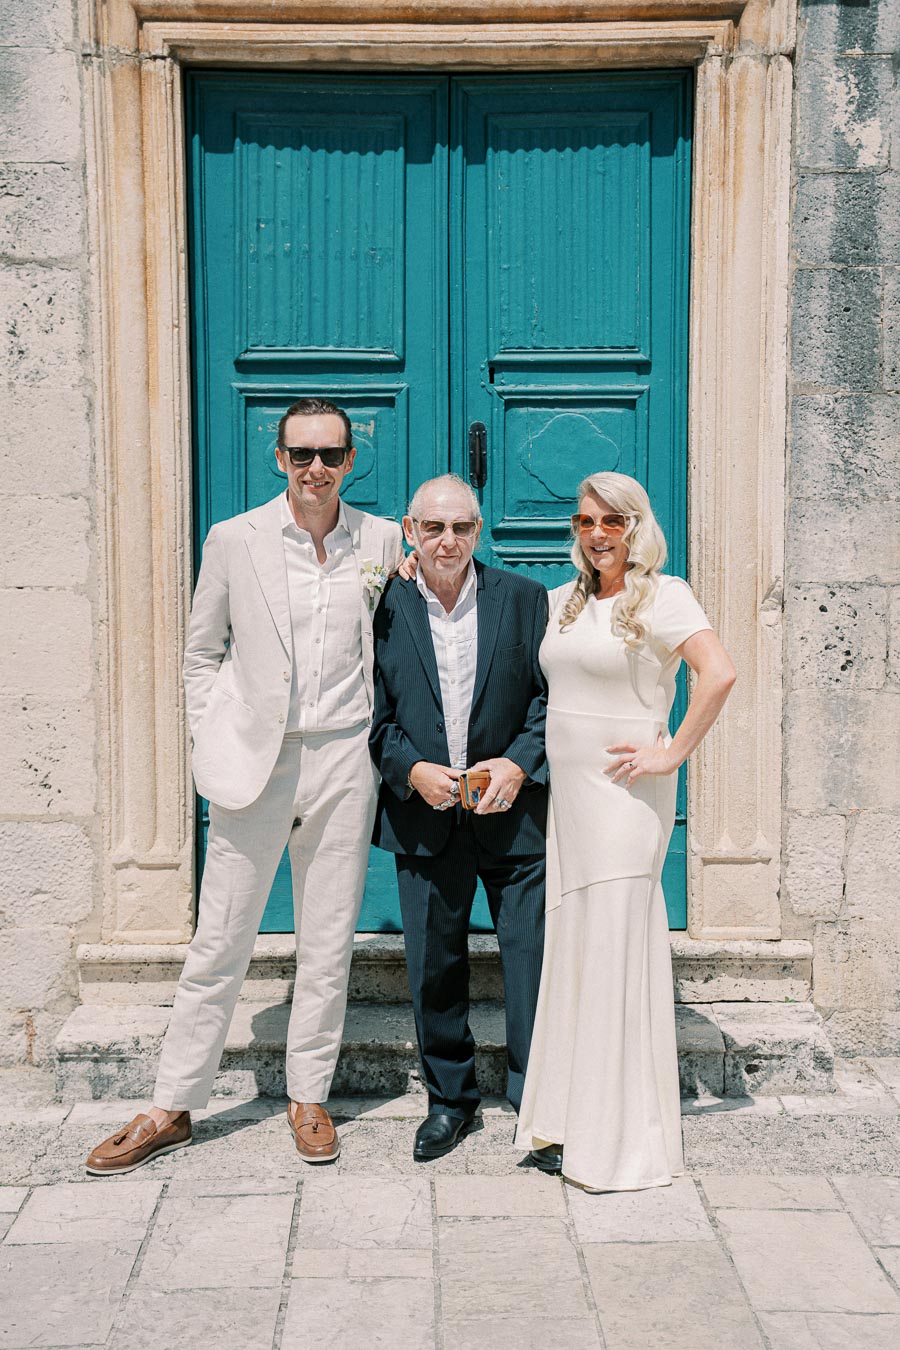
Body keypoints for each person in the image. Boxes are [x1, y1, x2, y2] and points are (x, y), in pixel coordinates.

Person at [86, 398, 404, 1175]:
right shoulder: (234, 539)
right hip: (255, 763)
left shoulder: (383, 539)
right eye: (302, 455)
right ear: (279, 458)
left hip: (343, 758)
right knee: (221, 937)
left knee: (327, 938)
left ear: (351, 459)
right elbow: (202, 652)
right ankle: (171, 1104)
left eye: (330, 454)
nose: (316, 469)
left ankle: (309, 1096)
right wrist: (214, 736)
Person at [515, 471, 736, 1192]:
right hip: (571, 805)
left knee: (612, 948)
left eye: (613, 522)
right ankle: (572, 1120)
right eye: (584, 522)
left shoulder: (665, 597)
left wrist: (670, 751)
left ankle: (615, 1145)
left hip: (623, 801)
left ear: (637, 527)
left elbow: (719, 674)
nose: (598, 535)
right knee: (581, 950)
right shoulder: (563, 601)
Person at [370, 474, 549, 1160]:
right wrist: (410, 770)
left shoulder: (525, 600)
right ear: (410, 531)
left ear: (480, 531)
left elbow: (548, 698)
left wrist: (519, 762)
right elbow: (368, 709)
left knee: (530, 966)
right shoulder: (380, 604)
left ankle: (538, 1102)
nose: (449, 541)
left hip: (513, 816)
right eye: (434, 528)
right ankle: (450, 1102)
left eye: (463, 528)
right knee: (434, 968)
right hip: (424, 816)